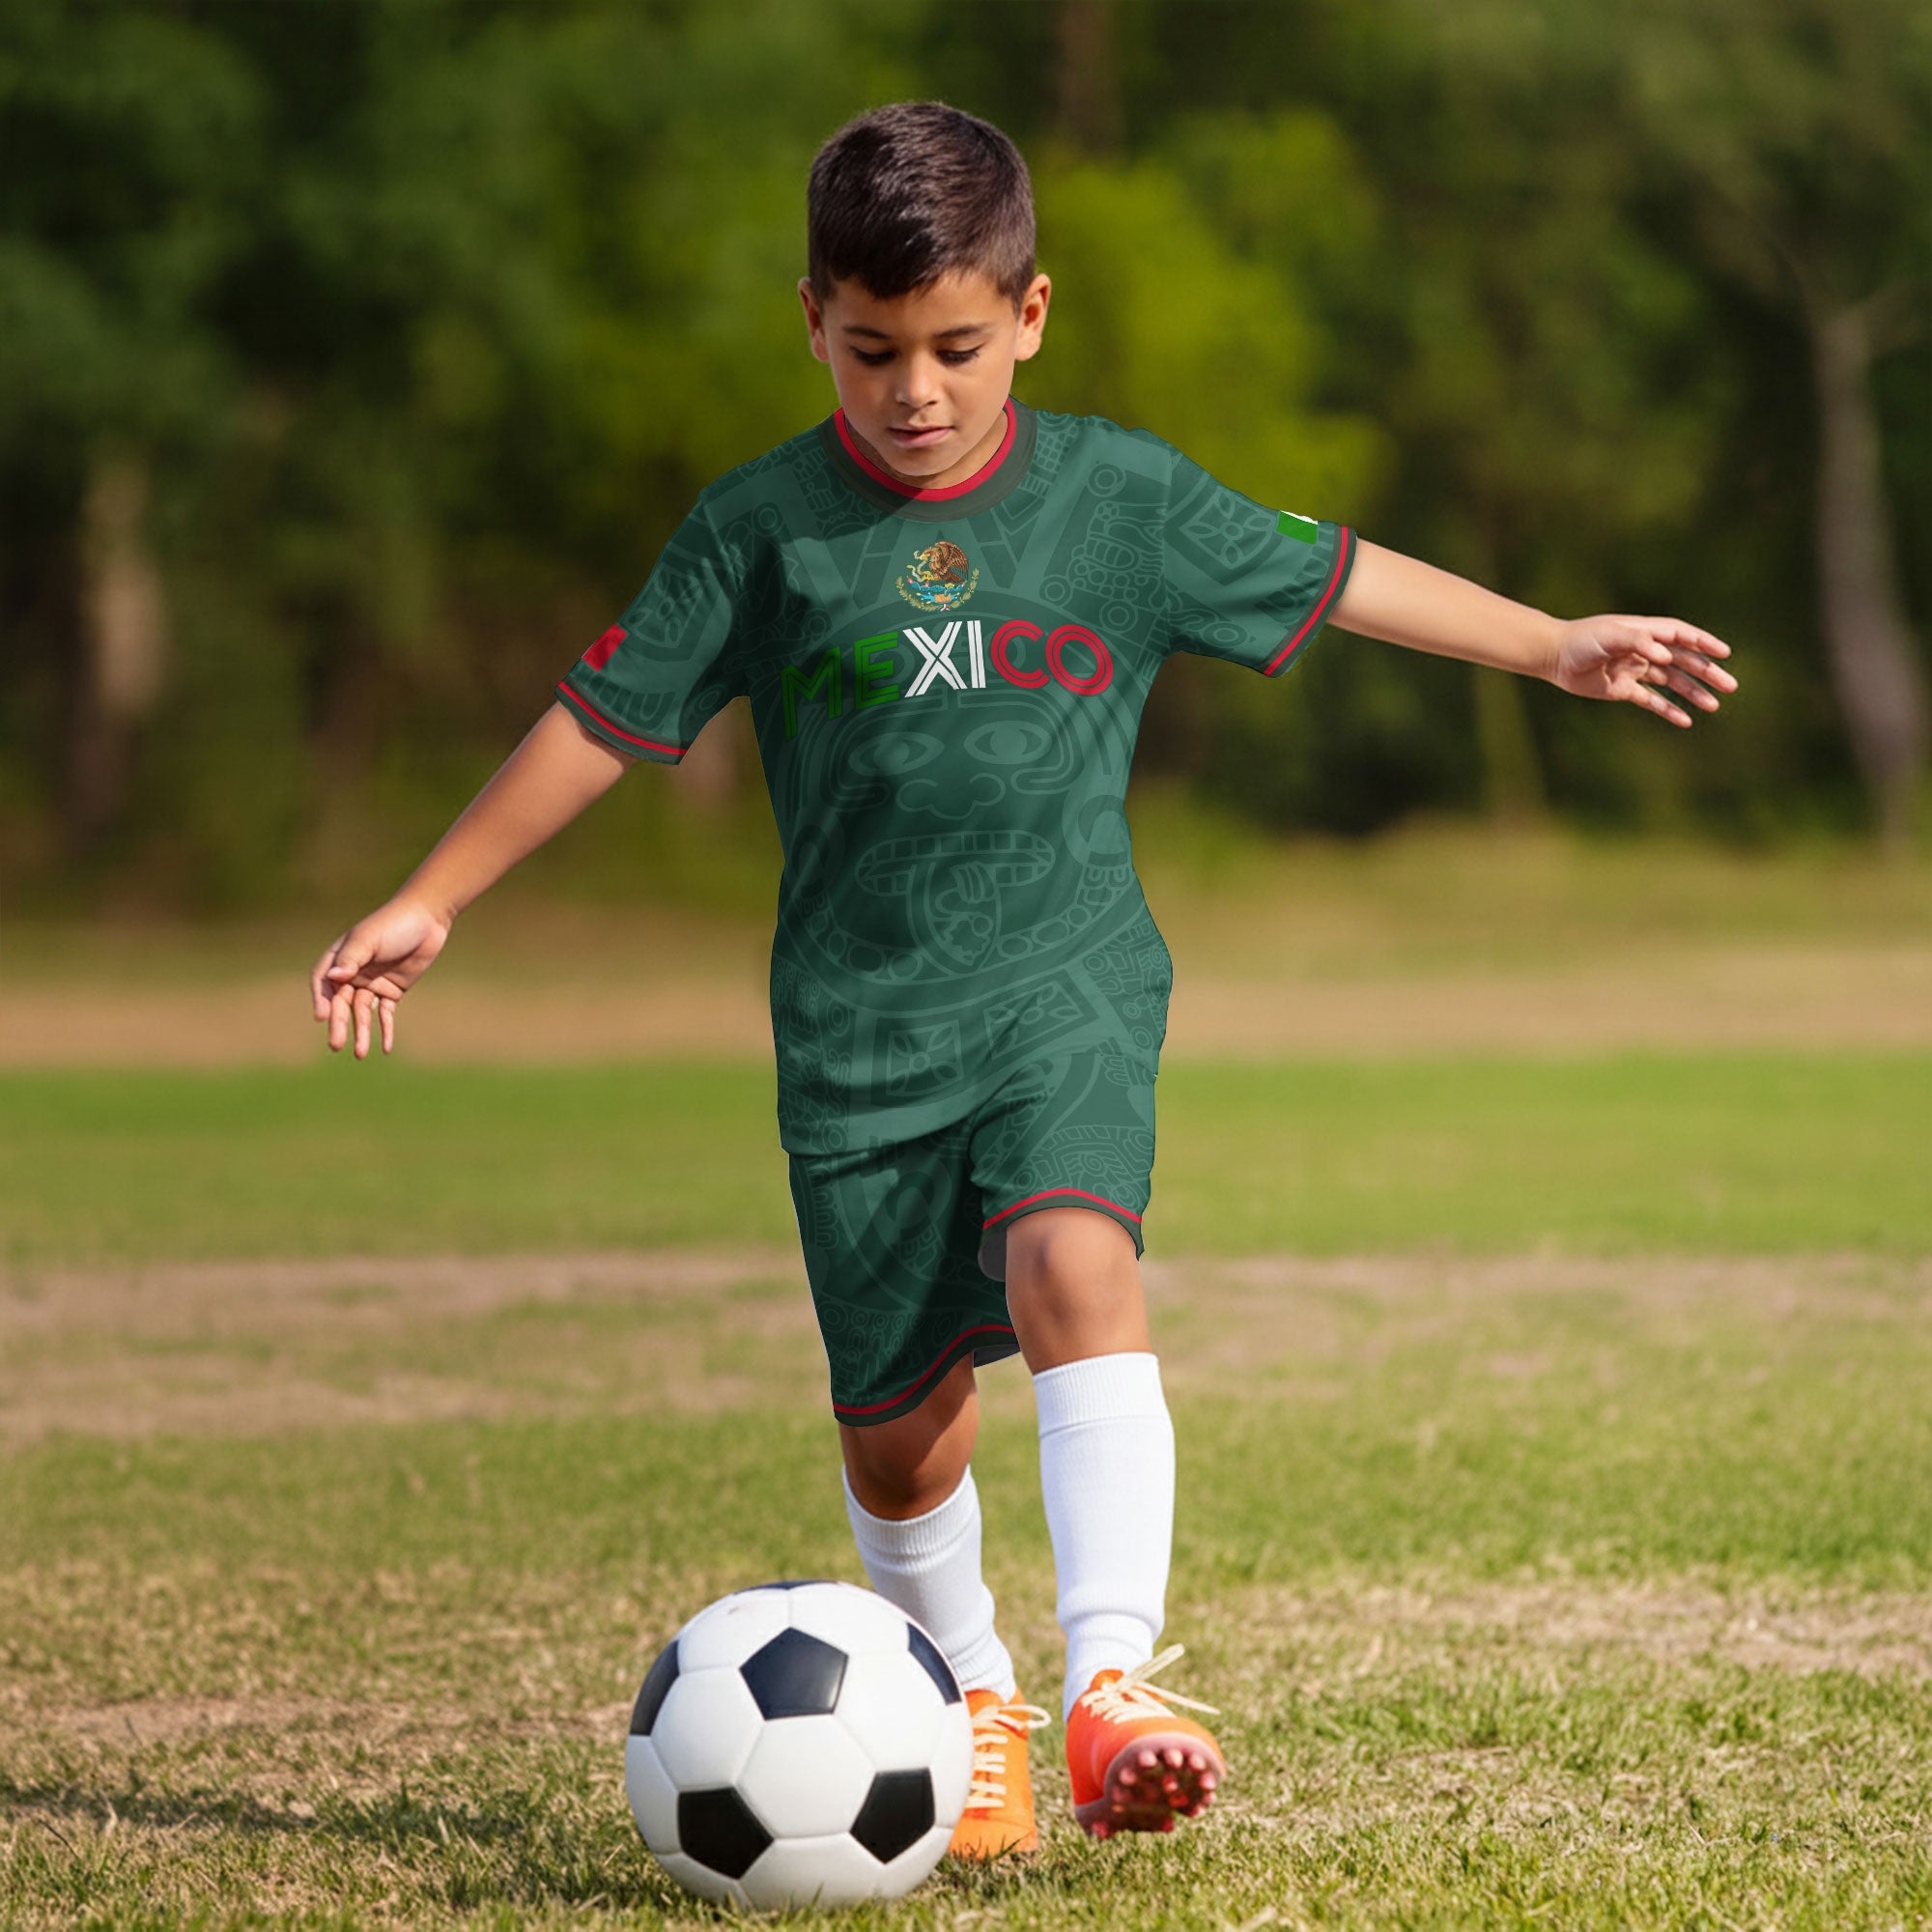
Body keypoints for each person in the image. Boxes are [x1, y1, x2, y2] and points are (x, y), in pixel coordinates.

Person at [310, 100, 1736, 1859]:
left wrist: (1555, 643)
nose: (918, 388)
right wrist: (432, 894)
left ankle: (1110, 1685)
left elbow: (1339, 574)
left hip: (1066, 982)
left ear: (1032, 317)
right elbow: (607, 718)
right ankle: (971, 1691)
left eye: (959, 349)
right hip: (856, 1033)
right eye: (874, 349)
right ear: (814, 324)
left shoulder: (1117, 499)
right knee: (905, 1443)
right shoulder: (759, 528)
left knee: (1078, 1259)